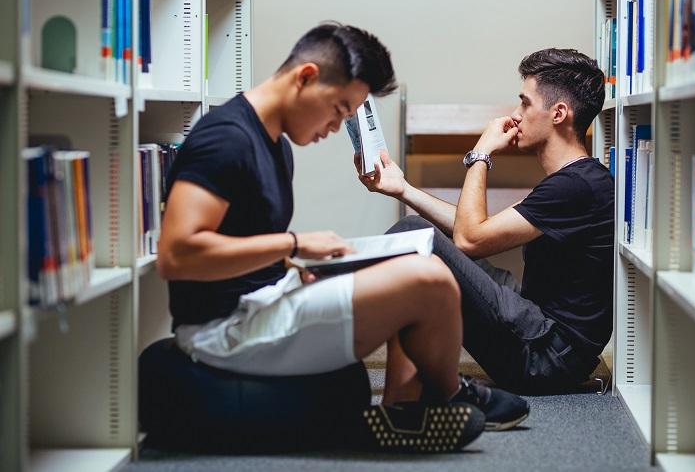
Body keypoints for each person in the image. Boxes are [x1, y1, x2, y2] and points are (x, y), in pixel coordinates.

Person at [156, 22, 529, 453]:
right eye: (338, 108)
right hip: (223, 330)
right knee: (430, 281)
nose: (336, 126)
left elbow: (238, 240)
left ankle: (403, 410)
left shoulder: (271, 139)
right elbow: (176, 254)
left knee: (414, 257)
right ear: (306, 77)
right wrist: (293, 246)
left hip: (263, 300)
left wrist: (295, 266)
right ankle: (446, 396)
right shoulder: (225, 140)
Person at [356, 48, 614, 395]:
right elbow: (477, 230)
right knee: (417, 235)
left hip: (544, 358)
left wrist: (481, 154)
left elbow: (468, 240)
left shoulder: (577, 186)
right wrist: (403, 189)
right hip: (536, 328)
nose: (516, 115)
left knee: (410, 235)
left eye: (525, 103)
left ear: (559, 113)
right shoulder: (575, 181)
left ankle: (336, 328)